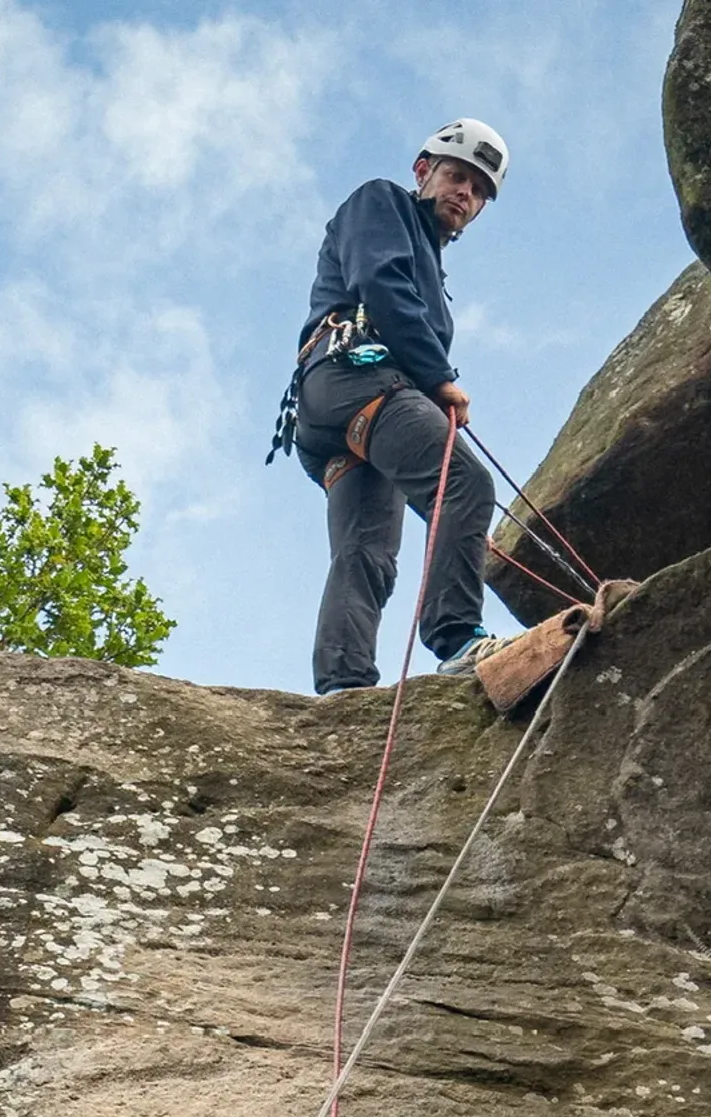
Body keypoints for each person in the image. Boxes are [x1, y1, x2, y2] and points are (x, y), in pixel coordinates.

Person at [277, 118, 512, 696]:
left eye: (479, 191)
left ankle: (344, 686)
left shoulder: (433, 270)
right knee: (463, 484)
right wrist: (440, 380)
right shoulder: (380, 202)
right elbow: (381, 282)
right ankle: (457, 637)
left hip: (337, 412)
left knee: (367, 551)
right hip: (355, 379)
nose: (466, 193)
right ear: (422, 171)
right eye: (457, 176)